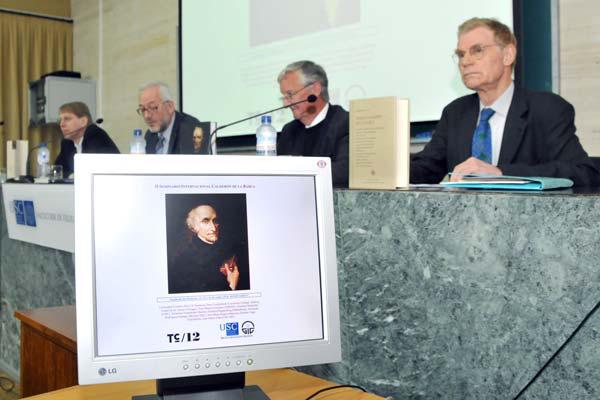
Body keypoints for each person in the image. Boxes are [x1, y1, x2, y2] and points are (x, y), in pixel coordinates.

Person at [410, 18, 600, 186]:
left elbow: (583, 172)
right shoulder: (455, 113)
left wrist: (502, 173)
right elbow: (426, 168)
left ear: (508, 55)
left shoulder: (546, 109)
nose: (465, 62)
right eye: (461, 54)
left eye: (477, 50)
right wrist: (393, 168)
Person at [276, 60, 349, 187]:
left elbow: (344, 172)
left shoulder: (345, 123)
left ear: (315, 89)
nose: (286, 104)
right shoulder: (289, 131)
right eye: (284, 97)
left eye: (290, 95)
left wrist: (299, 168)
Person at [168, 204, 250, 293]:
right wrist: (232, 285)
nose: (213, 228)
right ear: (194, 227)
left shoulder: (228, 251)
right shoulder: (185, 259)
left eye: (215, 221)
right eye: (205, 221)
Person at [137, 81, 209, 154]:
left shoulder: (191, 129)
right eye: (143, 109)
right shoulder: (150, 136)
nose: (147, 116)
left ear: (170, 106)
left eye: (153, 107)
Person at [55, 101, 119, 178]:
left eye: (67, 119)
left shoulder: (95, 134)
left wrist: (72, 176)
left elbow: (96, 170)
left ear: (83, 121)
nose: (61, 124)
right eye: (60, 120)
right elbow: (58, 171)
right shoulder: (67, 142)